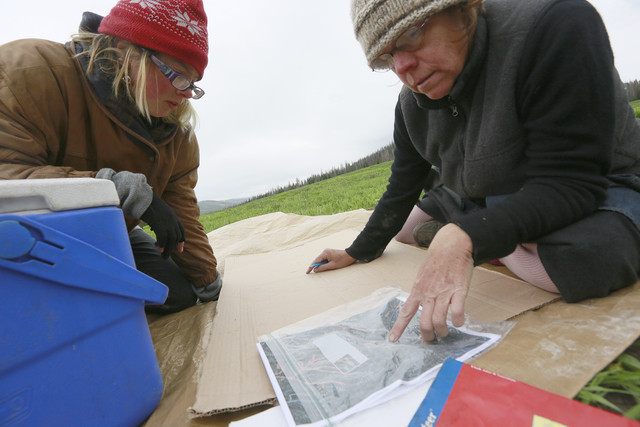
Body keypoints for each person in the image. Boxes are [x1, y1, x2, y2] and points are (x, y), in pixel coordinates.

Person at [308, 0, 640, 342]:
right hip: (481, 193)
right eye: (387, 57)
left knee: (586, 262)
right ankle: (493, 233)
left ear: (464, 8)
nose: (403, 66)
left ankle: (492, 240)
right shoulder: (410, 104)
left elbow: (572, 183)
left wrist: (468, 237)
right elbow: (402, 185)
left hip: (591, 184)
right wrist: (357, 251)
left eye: (409, 35)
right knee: (403, 231)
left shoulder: (552, 25)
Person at [0, 0, 222, 314]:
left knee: (176, 294)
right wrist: (112, 189)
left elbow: (182, 210)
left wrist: (207, 278)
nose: (186, 93)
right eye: (177, 75)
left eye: (193, 82)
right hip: (23, 238)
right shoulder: (29, 71)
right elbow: (5, 176)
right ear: (126, 51)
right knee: (44, 311)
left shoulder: (176, 135)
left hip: (110, 235)